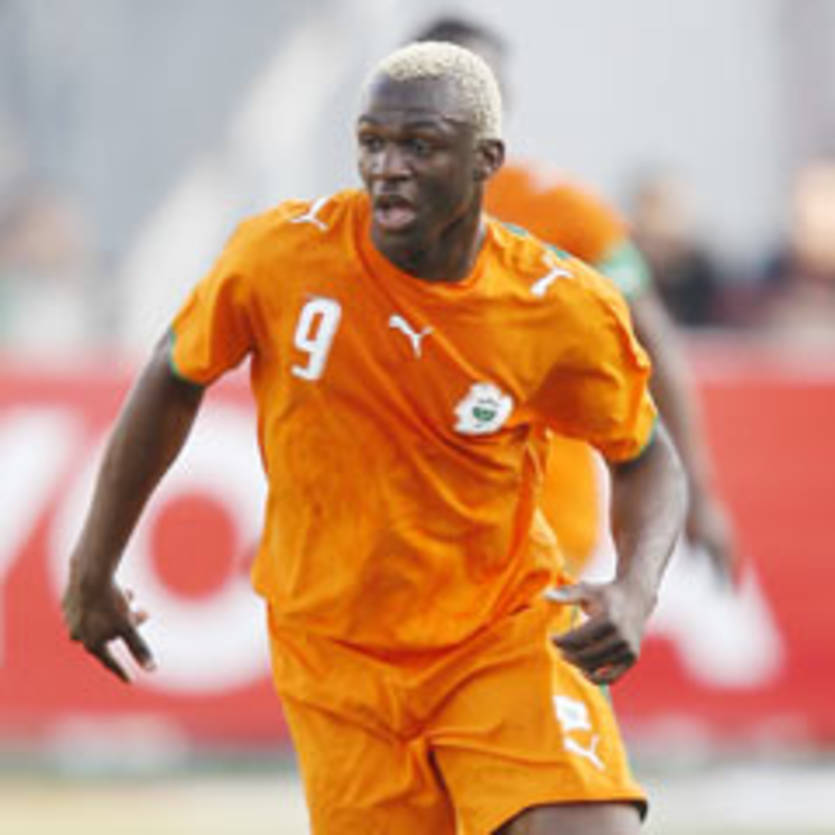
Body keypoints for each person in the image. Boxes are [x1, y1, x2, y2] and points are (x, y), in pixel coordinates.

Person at [62, 42, 686, 834]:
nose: (388, 168)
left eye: (419, 146)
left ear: (484, 160)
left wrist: (635, 586)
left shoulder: (558, 305)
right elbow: (171, 373)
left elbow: (646, 457)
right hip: (338, 659)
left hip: (499, 633)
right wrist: (93, 564)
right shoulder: (281, 256)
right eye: (372, 142)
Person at [412, 16, 734, 580]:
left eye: (481, 84)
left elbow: (650, 340)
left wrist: (697, 493)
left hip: (541, 527)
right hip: (412, 532)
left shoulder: (565, 212)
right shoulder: (365, 223)